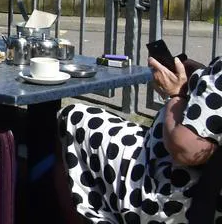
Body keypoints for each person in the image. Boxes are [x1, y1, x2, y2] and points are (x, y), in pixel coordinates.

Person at [57, 54, 222, 223]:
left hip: (168, 196)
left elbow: (185, 150)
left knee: (74, 117)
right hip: (195, 191)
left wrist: (175, 94)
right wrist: (198, 77)